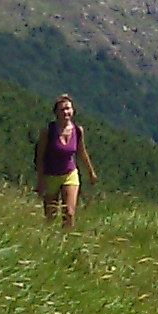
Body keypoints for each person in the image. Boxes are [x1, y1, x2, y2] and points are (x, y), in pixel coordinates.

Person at [34, 95, 89, 227]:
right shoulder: (47, 132)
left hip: (70, 174)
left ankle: (67, 239)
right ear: (56, 113)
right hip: (50, 176)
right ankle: (51, 242)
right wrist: (40, 180)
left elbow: (81, 152)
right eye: (62, 109)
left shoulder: (77, 130)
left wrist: (91, 173)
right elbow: (39, 156)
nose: (66, 112)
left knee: (69, 213)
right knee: (50, 216)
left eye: (68, 108)